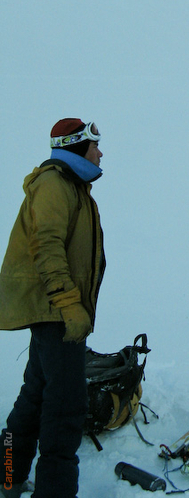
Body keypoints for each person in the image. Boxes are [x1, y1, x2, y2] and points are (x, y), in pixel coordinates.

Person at [0, 119, 105, 498]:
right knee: (64, 408)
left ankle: (7, 476)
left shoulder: (70, 186)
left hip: (53, 312)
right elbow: (46, 247)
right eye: (94, 145)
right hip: (56, 313)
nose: (100, 152)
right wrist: (68, 305)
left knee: (35, 397)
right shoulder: (53, 185)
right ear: (76, 148)